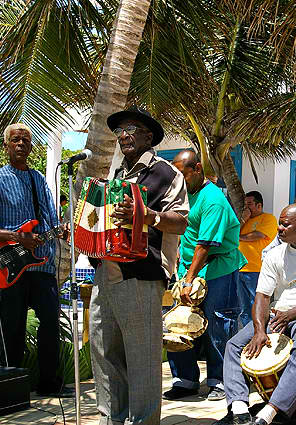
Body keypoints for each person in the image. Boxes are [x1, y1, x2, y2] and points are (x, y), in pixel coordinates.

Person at [89, 108, 189, 425]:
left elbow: (181, 222)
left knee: (143, 360)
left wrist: (148, 216)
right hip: (106, 275)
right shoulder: (117, 177)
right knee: (104, 354)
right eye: (120, 130)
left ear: (149, 136)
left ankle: (143, 422)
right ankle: (112, 419)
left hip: (141, 277)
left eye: (132, 128)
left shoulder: (167, 174)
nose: (123, 135)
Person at [214, 203, 296, 425]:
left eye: (284, 225)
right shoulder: (275, 254)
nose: (279, 229)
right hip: (279, 315)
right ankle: (239, 409)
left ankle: (272, 412)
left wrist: (289, 315)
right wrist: (259, 330)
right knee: (234, 345)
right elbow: (262, 296)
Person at [0, 123, 72, 398]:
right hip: (9, 264)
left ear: (31, 147)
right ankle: (11, 386)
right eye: (15, 140)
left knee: (52, 321)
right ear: (6, 146)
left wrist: (61, 230)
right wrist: (16, 237)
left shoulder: (39, 179)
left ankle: (50, 384)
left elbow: (51, 220)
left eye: (25, 141)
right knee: (12, 325)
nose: (20, 144)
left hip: (42, 265)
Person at [164, 150, 247, 402]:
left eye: (183, 175)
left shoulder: (213, 200)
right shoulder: (184, 195)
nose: (179, 181)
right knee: (179, 323)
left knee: (218, 324)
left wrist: (189, 280)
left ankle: (220, 380)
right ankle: (184, 380)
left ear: (197, 169)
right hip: (188, 269)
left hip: (217, 269)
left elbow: (205, 245)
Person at [237, 190, 278, 326]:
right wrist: (243, 219)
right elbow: (233, 232)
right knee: (244, 307)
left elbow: (258, 235)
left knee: (257, 304)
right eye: (245, 205)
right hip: (240, 268)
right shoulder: (244, 221)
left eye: (249, 204)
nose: (246, 207)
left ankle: (260, 330)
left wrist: (239, 238)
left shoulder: (268, 219)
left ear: (259, 206)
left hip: (257, 269)